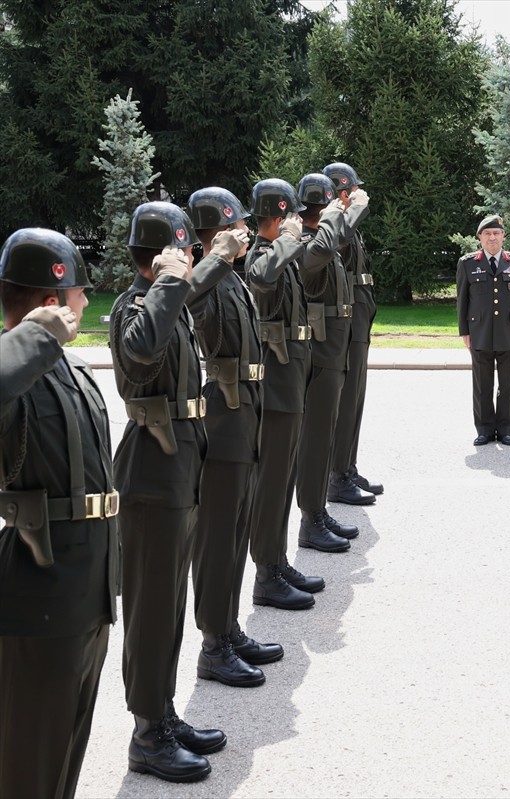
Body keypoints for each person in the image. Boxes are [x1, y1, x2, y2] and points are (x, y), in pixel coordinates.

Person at [0, 229, 118, 799]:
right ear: (51, 302)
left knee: (65, 756)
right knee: (30, 765)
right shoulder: (16, 368)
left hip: (87, 591)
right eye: (76, 293)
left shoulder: (69, 368)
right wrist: (31, 337)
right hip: (39, 595)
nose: (84, 303)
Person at [110, 202, 223, 782]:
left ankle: (163, 712)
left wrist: (201, 268)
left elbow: (194, 292)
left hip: (178, 465)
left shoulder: (169, 297)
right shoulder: (136, 307)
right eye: (179, 251)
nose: (188, 259)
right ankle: (146, 734)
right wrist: (170, 279)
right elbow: (143, 350)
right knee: (152, 610)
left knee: (170, 606)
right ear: (155, 256)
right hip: (150, 473)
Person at [184, 187, 282, 688]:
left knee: (238, 527)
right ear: (217, 232)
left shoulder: (231, 276)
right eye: (237, 226)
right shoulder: (205, 277)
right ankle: (212, 644)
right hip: (222, 413)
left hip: (245, 410)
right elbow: (188, 296)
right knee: (219, 534)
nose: (246, 231)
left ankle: (228, 628)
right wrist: (217, 257)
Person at [245, 179, 326, 607]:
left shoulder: (284, 251)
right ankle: (265, 573)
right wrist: (290, 240)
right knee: (273, 481)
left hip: (291, 375)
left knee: (284, 475)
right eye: (291, 216)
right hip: (275, 383)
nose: (298, 221)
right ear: (277, 217)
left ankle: (276, 561)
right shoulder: (263, 253)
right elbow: (260, 276)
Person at [292, 174, 362, 552]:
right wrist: (335, 217)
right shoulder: (308, 242)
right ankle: (310, 518)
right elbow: (315, 256)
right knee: (317, 437)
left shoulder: (324, 238)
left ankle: (317, 510)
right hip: (320, 351)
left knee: (326, 431)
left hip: (332, 347)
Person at [323, 162, 384, 503]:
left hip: (358, 316)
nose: (361, 195)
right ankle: (336, 475)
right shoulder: (335, 221)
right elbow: (336, 240)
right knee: (345, 400)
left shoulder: (347, 221)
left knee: (355, 397)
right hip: (345, 320)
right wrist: (355, 209)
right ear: (343, 192)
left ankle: (347, 465)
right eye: (354, 191)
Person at [456, 215, 510, 446]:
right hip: (479, 332)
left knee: (508, 385)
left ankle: (506, 430)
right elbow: (462, 300)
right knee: (482, 385)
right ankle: (485, 430)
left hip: (509, 332)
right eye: (487, 233)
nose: (492, 237)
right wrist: (464, 332)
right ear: (479, 237)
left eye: (496, 233)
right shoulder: (467, 263)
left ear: (503, 236)